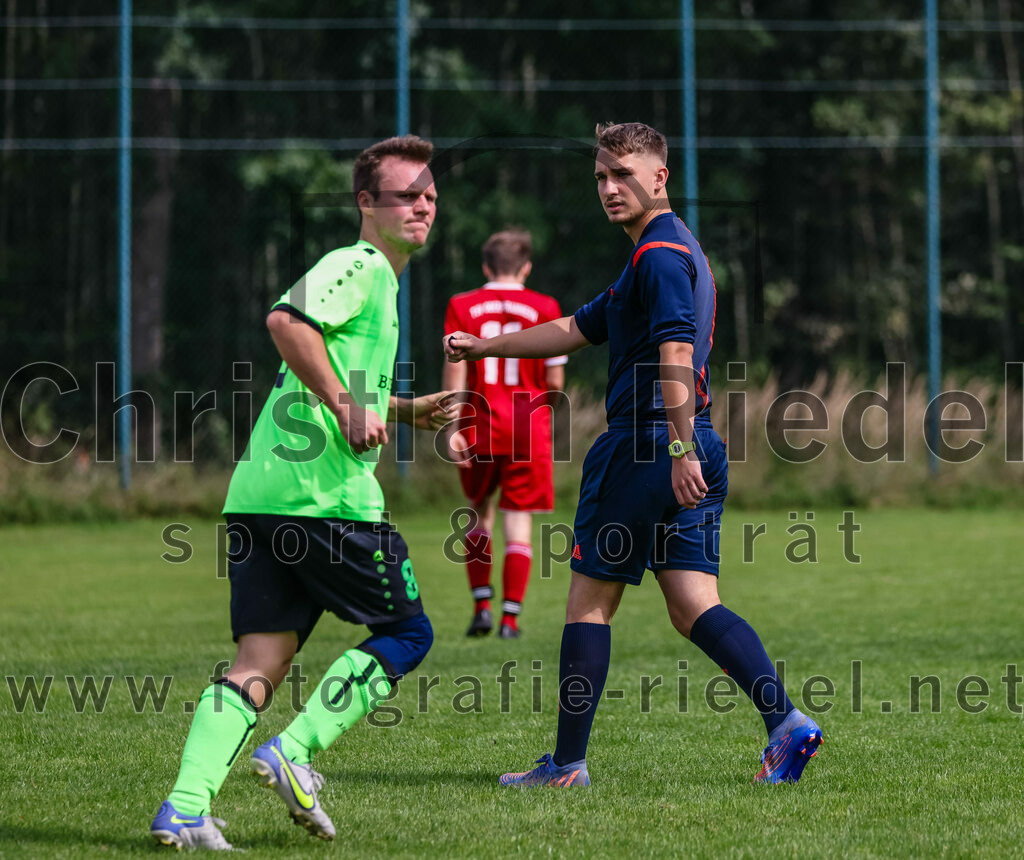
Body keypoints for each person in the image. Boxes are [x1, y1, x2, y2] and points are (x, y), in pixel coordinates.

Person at [445, 122, 822, 788]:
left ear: (659, 177)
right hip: (690, 440)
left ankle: (565, 766)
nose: (609, 187)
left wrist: (675, 448)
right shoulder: (661, 254)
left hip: (652, 443)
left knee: (589, 605)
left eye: (623, 173)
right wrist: (483, 348)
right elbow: (577, 328)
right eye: (600, 176)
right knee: (692, 604)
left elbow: (676, 352)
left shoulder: (659, 256)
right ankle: (786, 725)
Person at [151, 135, 453, 850]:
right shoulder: (361, 264)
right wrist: (349, 406)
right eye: (406, 194)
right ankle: (294, 751)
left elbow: (329, 362)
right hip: (324, 500)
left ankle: (185, 809)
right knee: (408, 633)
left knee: (262, 661)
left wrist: (396, 408)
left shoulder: (381, 277)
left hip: (260, 496)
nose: (422, 206)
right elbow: (287, 322)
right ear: (365, 204)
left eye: (430, 196)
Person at [442, 229, 566, 639]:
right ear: (526, 267)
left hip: (478, 421)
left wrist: (451, 424)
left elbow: (456, 369)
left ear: (485, 266)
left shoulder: (462, 304)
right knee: (519, 521)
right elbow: (555, 380)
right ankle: (510, 619)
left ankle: (481, 607)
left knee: (479, 512)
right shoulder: (546, 306)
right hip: (528, 425)